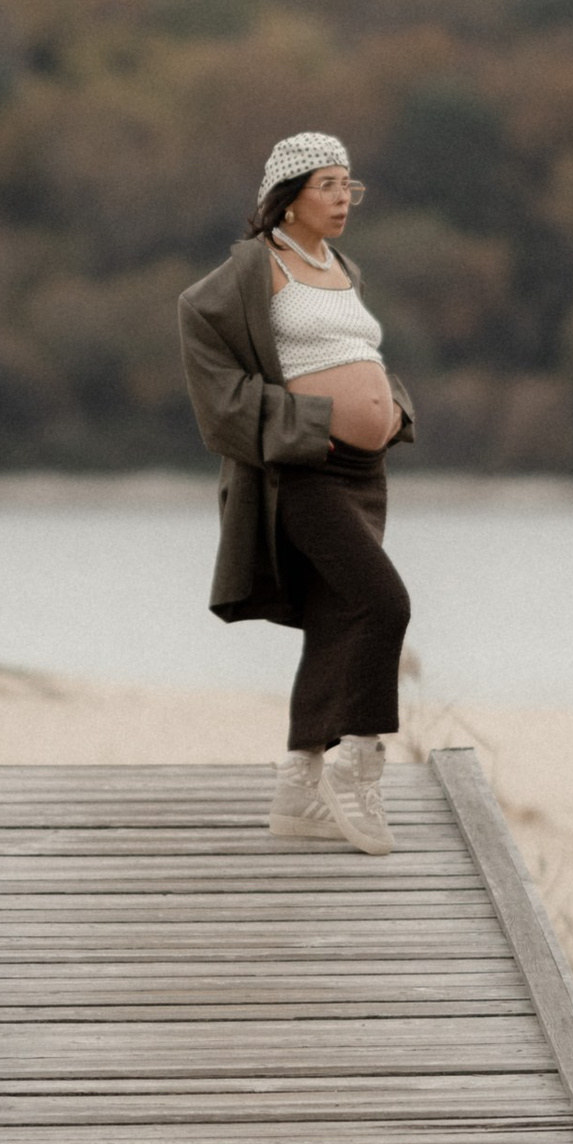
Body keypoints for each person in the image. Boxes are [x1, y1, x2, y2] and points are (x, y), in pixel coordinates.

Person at [177, 130, 415, 854]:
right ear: (288, 197)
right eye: (329, 185)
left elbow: (357, 353)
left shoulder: (339, 264)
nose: (344, 198)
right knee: (383, 603)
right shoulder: (255, 268)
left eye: (350, 184)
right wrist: (305, 422)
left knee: (337, 614)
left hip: (361, 473)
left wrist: (394, 407)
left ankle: (298, 787)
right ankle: (357, 760)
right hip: (303, 468)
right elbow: (197, 325)